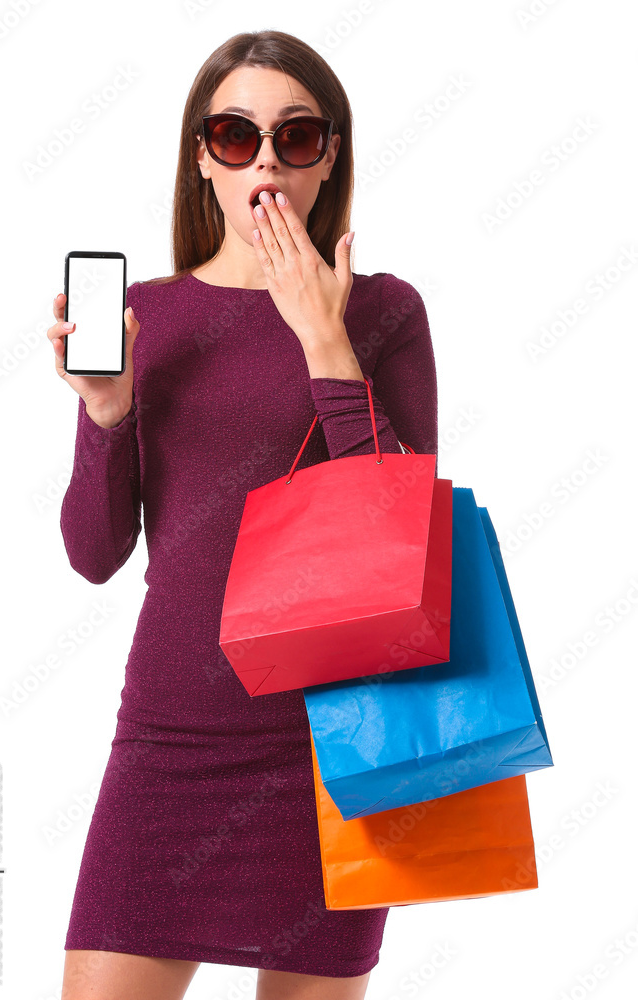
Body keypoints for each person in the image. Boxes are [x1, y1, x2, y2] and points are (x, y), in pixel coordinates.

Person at [51, 29, 438, 1000]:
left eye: (295, 136)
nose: (265, 157)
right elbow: (94, 555)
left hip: (336, 750)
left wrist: (325, 343)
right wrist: (107, 414)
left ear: (329, 155)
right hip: (169, 742)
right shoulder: (154, 316)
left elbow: (408, 543)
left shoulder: (383, 312)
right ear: (202, 159)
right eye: (235, 134)